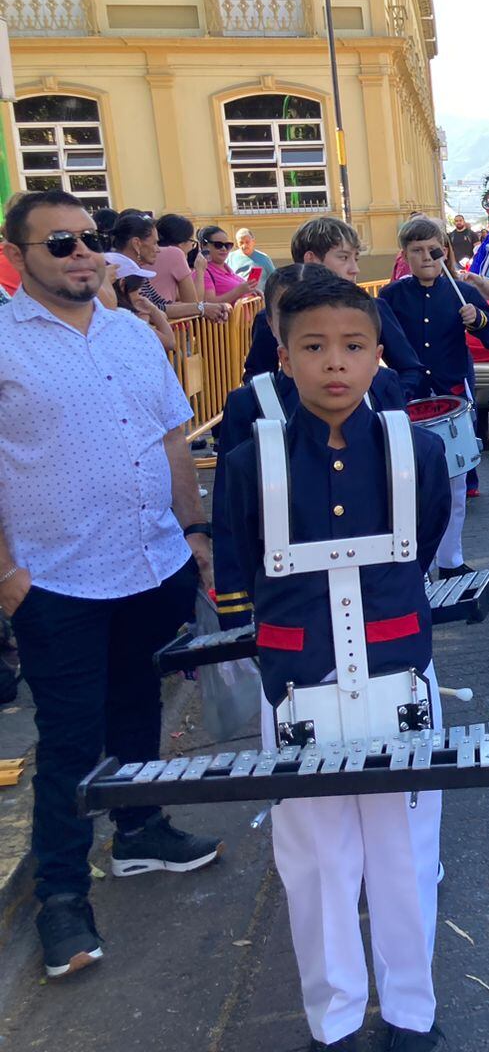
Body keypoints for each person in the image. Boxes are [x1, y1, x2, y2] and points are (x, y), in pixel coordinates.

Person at [224, 274, 451, 1052]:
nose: (335, 365)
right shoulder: (250, 460)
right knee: (317, 860)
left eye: (353, 347)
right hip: (295, 679)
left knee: (405, 852)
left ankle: (412, 1015)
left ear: (377, 355)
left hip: (396, 670)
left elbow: (422, 541)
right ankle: (336, 1020)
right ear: (283, 358)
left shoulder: (414, 449)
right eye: (313, 347)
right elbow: (239, 559)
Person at [0, 189, 221, 980]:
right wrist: (7, 574)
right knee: (67, 742)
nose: (83, 253)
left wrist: (194, 533)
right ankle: (63, 899)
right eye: (59, 243)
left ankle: (139, 831)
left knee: (140, 705)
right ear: (18, 254)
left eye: (90, 239)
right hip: (56, 581)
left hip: (151, 563)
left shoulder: (132, 333)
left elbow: (171, 438)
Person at [212, 263, 410, 634]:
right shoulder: (250, 401)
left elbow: (410, 489)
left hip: (380, 598)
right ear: (272, 325)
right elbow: (233, 517)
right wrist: (238, 603)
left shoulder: (380, 385)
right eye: (291, 315)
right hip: (293, 609)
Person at [380, 216, 489, 578]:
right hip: (410, 400)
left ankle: (450, 560)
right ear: (404, 255)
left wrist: (479, 319)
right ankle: (417, 564)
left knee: (455, 485)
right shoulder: (391, 297)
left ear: (444, 250)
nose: (425, 257)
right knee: (411, 487)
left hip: (453, 398)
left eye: (432, 250)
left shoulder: (462, 292)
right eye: (415, 251)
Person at [243, 217, 427, 398]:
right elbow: (258, 380)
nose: (354, 269)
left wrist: (382, 405)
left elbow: (410, 371)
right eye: (344, 257)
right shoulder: (275, 316)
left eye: (356, 259)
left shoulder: (373, 309)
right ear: (311, 260)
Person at [118, 212, 217, 323]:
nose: (158, 249)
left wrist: (202, 308)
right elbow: (147, 308)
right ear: (137, 243)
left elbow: (159, 304)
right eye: (155, 243)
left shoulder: (136, 271)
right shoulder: (122, 271)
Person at [103, 251, 175, 353]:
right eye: (137, 287)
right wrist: (152, 310)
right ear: (122, 285)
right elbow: (169, 342)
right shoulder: (127, 318)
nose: (140, 292)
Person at [197, 225, 259, 307]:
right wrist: (238, 291)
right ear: (204, 246)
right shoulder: (204, 271)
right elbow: (208, 304)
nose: (224, 249)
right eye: (218, 245)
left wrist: (251, 292)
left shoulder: (228, 269)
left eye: (227, 245)